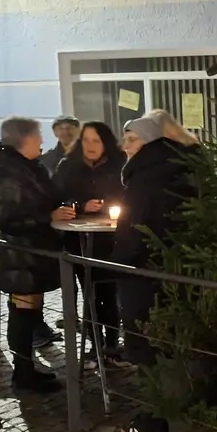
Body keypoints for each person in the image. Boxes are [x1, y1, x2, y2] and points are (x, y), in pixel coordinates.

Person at [110, 117, 195, 432]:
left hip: (144, 277)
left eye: (131, 139)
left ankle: (156, 421)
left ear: (149, 143)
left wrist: (118, 259)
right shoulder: (180, 169)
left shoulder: (146, 178)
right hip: (175, 274)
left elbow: (134, 234)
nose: (125, 146)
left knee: (147, 348)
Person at [0, 117, 71, 395]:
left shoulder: (26, 168)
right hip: (21, 257)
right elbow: (9, 218)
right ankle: (23, 374)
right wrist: (48, 216)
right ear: (23, 140)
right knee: (22, 312)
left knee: (27, 311)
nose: (43, 141)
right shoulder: (11, 174)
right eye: (38, 136)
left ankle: (26, 370)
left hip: (31, 257)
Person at [54, 121, 126, 357]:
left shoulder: (119, 165)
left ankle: (112, 344)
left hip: (110, 240)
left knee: (109, 292)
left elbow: (127, 196)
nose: (91, 145)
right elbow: (57, 196)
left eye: (96, 140)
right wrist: (80, 204)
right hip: (79, 240)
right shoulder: (68, 166)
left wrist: (109, 206)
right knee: (89, 294)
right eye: (86, 140)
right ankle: (95, 345)